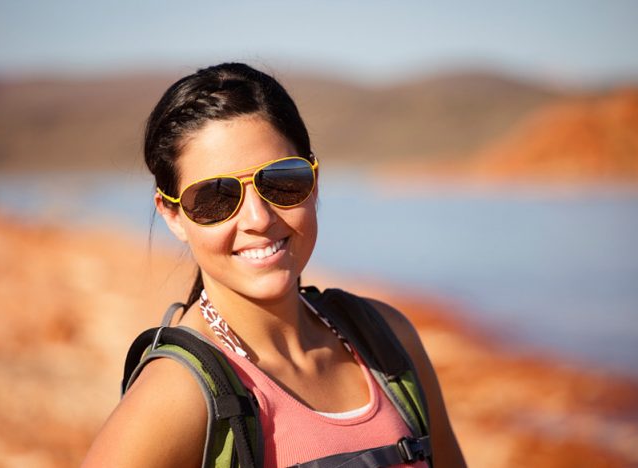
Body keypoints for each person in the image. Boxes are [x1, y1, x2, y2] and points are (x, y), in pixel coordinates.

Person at [83, 63, 465, 467]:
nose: (258, 219)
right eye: (215, 197)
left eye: (282, 181)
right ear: (173, 215)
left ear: (314, 180)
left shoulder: (387, 340)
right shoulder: (176, 396)